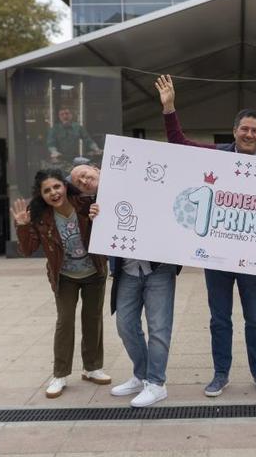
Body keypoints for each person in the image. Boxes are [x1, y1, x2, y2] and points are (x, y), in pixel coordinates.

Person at [155, 74, 256, 397]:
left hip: (253, 258)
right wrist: (169, 110)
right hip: (218, 257)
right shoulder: (216, 156)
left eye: (255, 130)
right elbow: (180, 145)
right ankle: (220, 373)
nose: (249, 134)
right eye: (244, 129)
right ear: (235, 131)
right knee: (219, 319)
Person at [70, 164, 182, 408]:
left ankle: (156, 383)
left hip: (158, 268)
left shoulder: (136, 181)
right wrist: (94, 221)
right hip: (128, 271)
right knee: (125, 325)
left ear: (98, 170)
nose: (85, 180)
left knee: (159, 328)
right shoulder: (92, 207)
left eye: (87, 174)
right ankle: (141, 375)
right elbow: (94, 244)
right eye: (79, 181)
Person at [12, 169, 111, 398]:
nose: (53, 193)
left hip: (94, 271)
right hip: (64, 276)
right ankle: (60, 373)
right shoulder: (41, 217)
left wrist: (99, 214)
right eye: (47, 190)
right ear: (41, 195)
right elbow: (27, 250)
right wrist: (23, 226)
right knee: (65, 321)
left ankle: (92, 367)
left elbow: (106, 230)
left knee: (93, 318)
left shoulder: (85, 205)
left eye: (57, 187)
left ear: (65, 186)